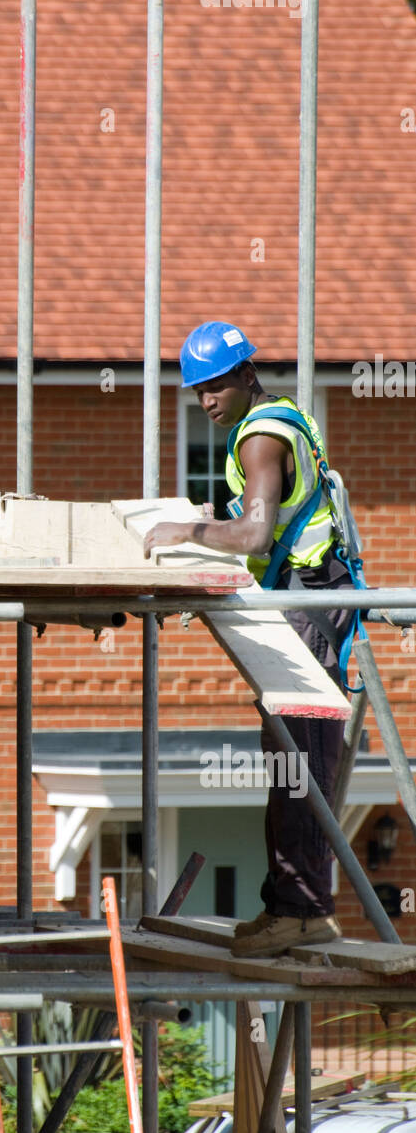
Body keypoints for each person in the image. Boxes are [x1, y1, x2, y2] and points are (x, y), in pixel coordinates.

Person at [143, 320, 351, 958]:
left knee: (297, 760)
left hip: (306, 604)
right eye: (197, 390)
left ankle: (301, 911)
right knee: (296, 759)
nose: (206, 400)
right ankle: (293, 906)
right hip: (309, 598)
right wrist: (217, 521)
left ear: (244, 377)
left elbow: (258, 538)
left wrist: (187, 532)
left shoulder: (260, 438)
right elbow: (265, 519)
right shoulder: (278, 419)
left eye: (214, 386)